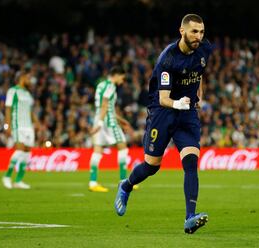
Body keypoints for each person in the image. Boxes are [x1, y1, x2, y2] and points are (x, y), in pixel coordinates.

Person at [114, 14, 214, 234]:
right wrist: (178, 103)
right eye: (194, 31)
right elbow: (163, 98)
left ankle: (190, 217)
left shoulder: (204, 49)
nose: (199, 36)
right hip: (163, 112)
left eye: (202, 32)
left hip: (187, 114)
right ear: (182, 31)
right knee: (151, 166)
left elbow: (199, 72)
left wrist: (199, 94)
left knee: (190, 161)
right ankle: (126, 185)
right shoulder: (168, 60)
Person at [89, 66, 133, 192]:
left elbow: (105, 108)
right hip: (108, 122)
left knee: (98, 149)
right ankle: (124, 181)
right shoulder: (110, 86)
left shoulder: (101, 85)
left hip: (100, 118)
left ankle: (92, 183)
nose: (122, 81)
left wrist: (122, 120)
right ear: (116, 75)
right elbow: (105, 106)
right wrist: (101, 124)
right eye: (122, 78)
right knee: (123, 147)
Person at [2, 70, 37, 189]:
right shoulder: (13, 91)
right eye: (28, 77)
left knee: (27, 154)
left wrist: (37, 122)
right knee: (20, 151)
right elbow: (8, 109)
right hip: (18, 125)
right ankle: (7, 176)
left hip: (28, 127)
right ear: (21, 77)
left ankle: (18, 180)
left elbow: (30, 111)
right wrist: (7, 125)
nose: (30, 80)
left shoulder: (27, 93)